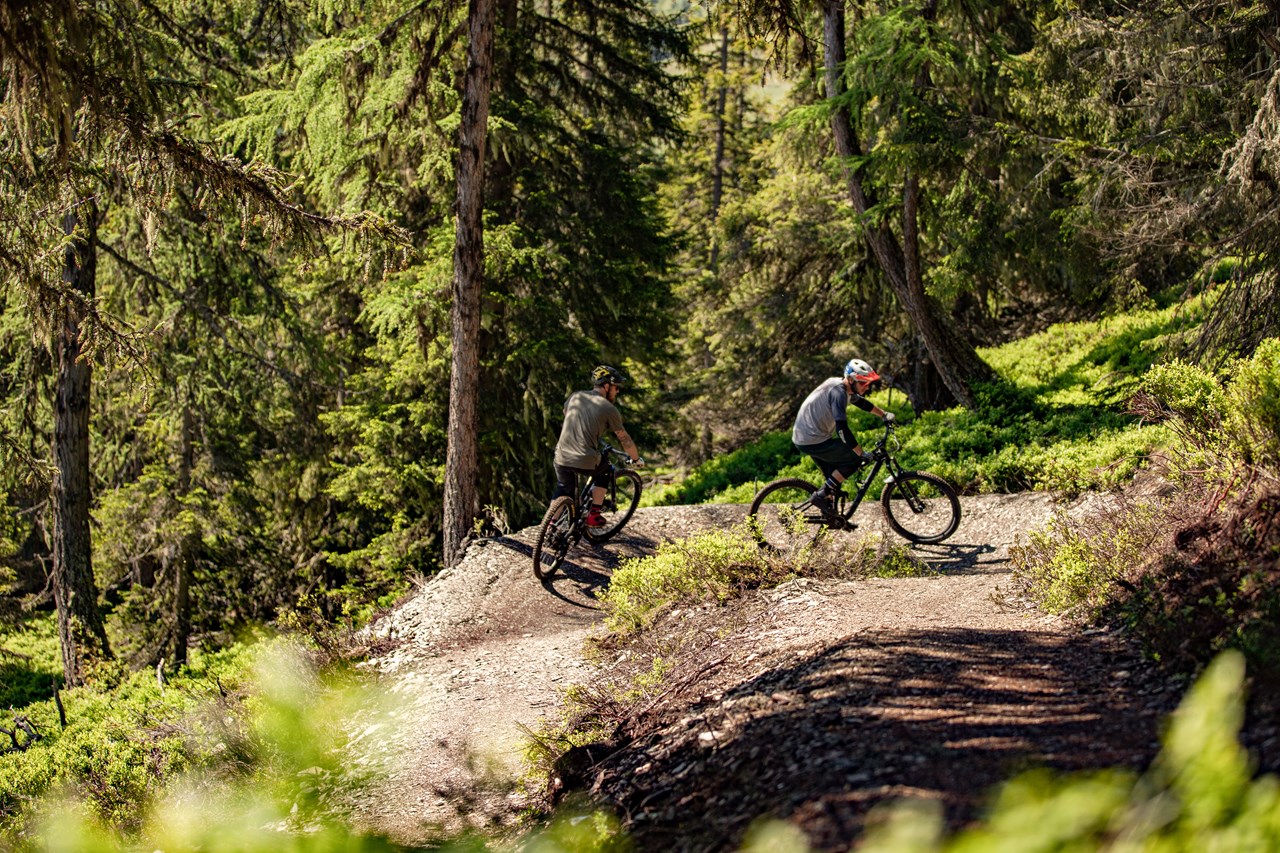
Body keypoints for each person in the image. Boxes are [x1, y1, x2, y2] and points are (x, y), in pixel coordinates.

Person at [792, 358, 896, 517]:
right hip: (812, 439)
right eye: (863, 383)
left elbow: (862, 404)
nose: (866, 387)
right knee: (853, 460)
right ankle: (821, 496)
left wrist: (884, 415)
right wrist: (861, 454)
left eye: (867, 384)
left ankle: (832, 515)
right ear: (852, 379)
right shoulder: (838, 393)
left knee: (834, 477)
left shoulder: (844, 388)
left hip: (809, 437)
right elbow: (842, 430)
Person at [553, 365, 643, 527]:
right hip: (585, 459)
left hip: (561, 456)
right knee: (607, 469)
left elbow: (567, 413)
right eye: (616, 387)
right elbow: (624, 439)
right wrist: (636, 459)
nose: (617, 391)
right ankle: (594, 514)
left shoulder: (575, 396)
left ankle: (551, 524)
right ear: (606, 386)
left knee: (563, 489)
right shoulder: (609, 408)